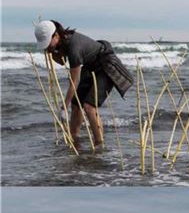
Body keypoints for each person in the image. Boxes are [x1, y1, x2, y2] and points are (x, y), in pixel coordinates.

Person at [34, 20, 133, 148]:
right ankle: (73, 138)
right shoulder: (63, 41)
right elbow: (62, 62)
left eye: (48, 43)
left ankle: (99, 145)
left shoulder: (74, 48)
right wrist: (51, 51)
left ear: (56, 35)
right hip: (90, 66)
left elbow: (74, 82)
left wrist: (64, 107)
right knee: (76, 104)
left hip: (105, 66)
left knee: (89, 107)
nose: (47, 47)